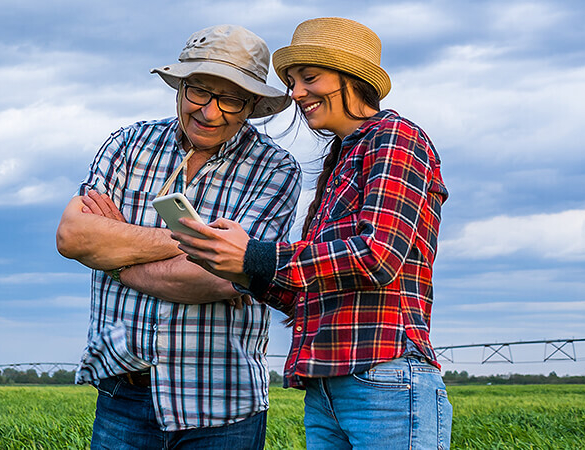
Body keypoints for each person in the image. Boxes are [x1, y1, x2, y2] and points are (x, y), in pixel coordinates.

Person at [169, 17, 453, 449]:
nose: (295, 92)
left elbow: (377, 256)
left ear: (351, 78)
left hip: (384, 376)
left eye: (308, 78)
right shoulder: (339, 160)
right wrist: (237, 266)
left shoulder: (395, 137)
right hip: (327, 385)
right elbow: (311, 290)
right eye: (291, 80)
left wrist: (256, 256)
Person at [55, 24, 301, 448]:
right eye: (200, 92)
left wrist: (115, 258)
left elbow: (221, 278)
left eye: (231, 99)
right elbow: (74, 237)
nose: (209, 111)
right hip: (124, 389)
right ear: (180, 87)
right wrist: (206, 245)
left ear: (252, 105)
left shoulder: (276, 169)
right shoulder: (127, 145)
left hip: (224, 403)